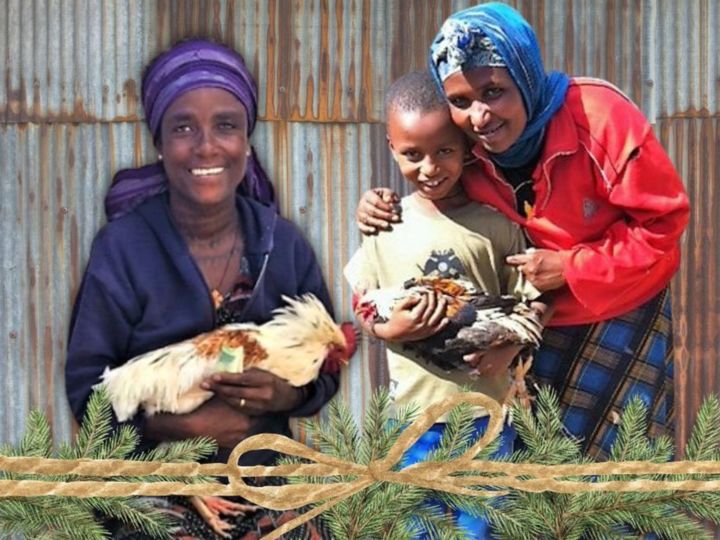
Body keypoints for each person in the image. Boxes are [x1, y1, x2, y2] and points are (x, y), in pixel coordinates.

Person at [355, 3, 689, 460]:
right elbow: (430, 179)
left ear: (525, 76)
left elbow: (662, 224)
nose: (478, 116)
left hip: (621, 313)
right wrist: (379, 203)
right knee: (542, 477)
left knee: (624, 472)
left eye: (494, 92)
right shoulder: (468, 148)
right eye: (460, 101)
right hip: (532, 324)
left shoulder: (599, 117)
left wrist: (572, 266)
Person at [65, 39, 336, 539]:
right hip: (155, 474)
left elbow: (326, 371)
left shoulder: (283, 244)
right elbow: (87, 390)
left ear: (246, 140)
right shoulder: (124, 248)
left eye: (226, 125)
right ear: (160, 142)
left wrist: (285, 393)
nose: (207, 146)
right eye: (183, 126)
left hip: (261, 472)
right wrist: (172, 441)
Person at [345, 70, 548, 539]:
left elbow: (531, 305)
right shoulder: (384, 223)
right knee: (419, 528)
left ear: (465, 146)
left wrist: (510, 349)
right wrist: (386, 331)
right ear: (392, 147)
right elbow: (365, 302)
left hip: (485, 416)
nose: (431, 168)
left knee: (482, 528)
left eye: (445, 151)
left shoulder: (494, 226)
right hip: (412, 421)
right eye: (413, 155)